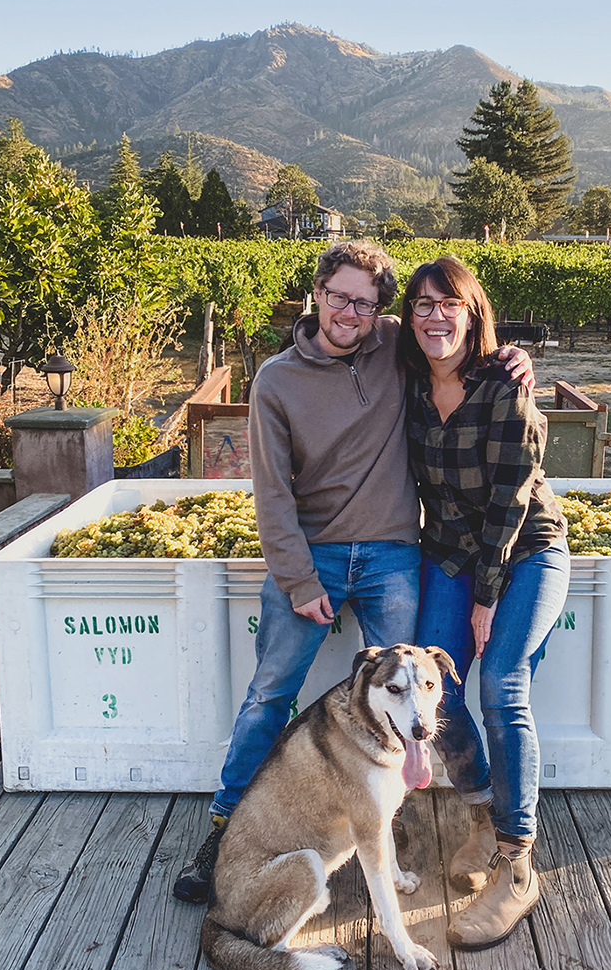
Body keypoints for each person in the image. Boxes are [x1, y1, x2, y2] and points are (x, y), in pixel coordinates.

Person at [174, 241, 533, 902]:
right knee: (270, 691)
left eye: (365, 303)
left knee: (412, 694)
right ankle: (226, 828)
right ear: (317, 294)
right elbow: (272, 495)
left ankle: (395, 816)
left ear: (378, 313)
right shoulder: (277, 381)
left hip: (393, 553)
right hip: (310, 557)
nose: (350, 312)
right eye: (338, 296)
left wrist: (513, 355)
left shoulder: (394, 345)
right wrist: (300, 578)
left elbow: (454, 329)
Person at [397, 256, 570, 950]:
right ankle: (480, 811)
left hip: (525, 548)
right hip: (446, 551)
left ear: (473, 314)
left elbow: (513, 495)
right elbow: (331, 333)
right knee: (436, 697)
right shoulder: (405, 379)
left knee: (501, 684)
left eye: (450, 305)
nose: (435, 317)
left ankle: (518, 864)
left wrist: (488, 595)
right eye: (422, 305)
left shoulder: (504, 386)